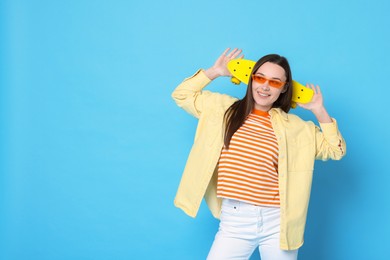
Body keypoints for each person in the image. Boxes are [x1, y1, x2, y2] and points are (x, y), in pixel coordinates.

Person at [171, 48, 346, 260]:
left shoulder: (296, 127)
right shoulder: (222, 109)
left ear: (284, 88)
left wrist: (319, 110)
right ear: (250, 79)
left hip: (278, 221)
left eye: (275, 81)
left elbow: (335, 150)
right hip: (235, 219)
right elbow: (181, 94)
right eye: (260, 77)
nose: (265, 86)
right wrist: (216, 71)